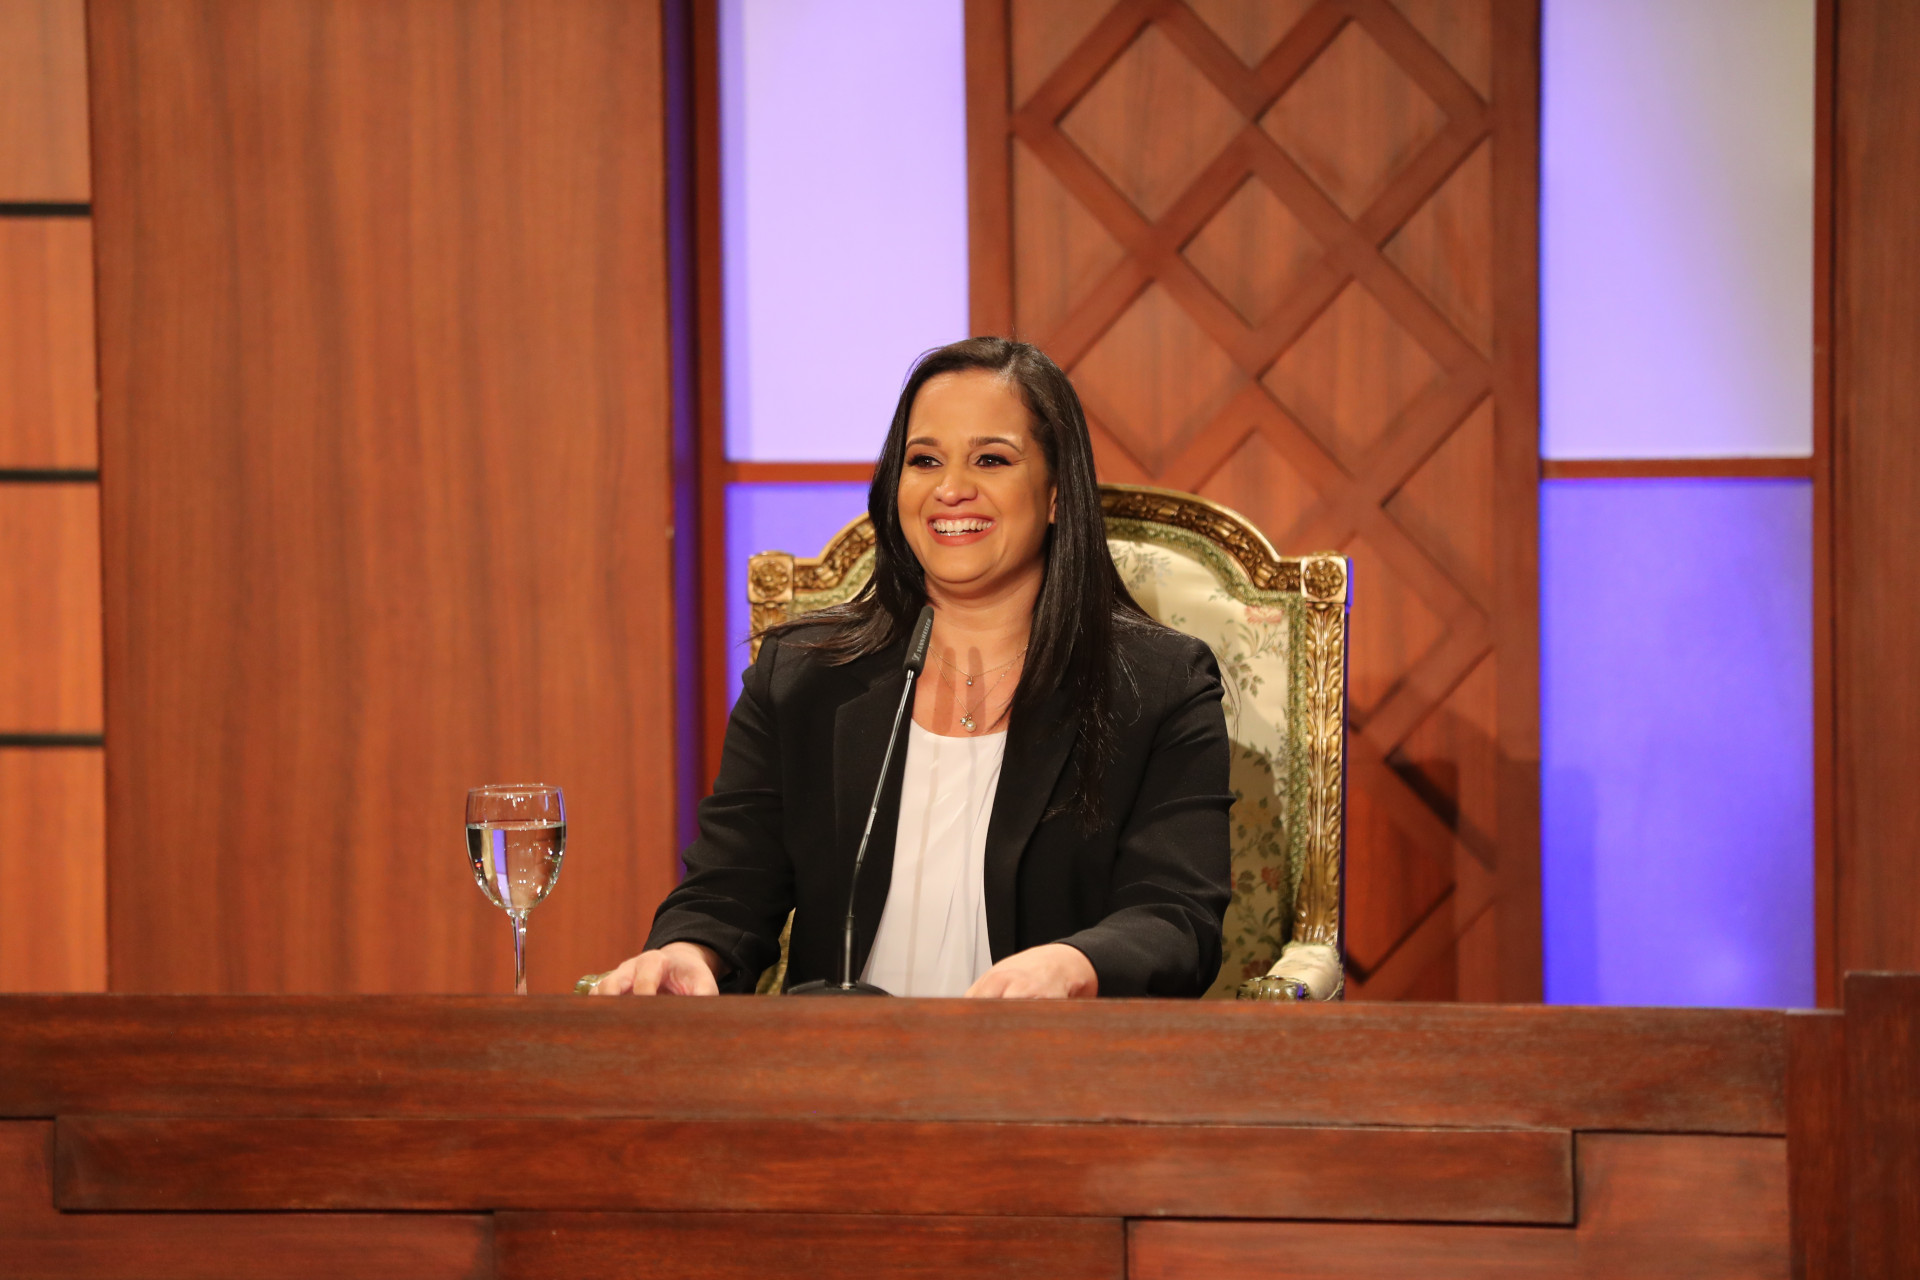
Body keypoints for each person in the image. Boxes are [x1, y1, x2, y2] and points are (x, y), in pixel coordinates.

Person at [593, 338, 1232, 998]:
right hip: (839, 1055)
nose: (951, 490)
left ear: (1055, 494)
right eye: (924, 460)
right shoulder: (804, 674)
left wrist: (1072, 966)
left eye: (991, 459)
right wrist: (689, 952)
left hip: (1044, 1053)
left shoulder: (1158, 685)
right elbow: (728, 885)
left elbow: (1176, 914)